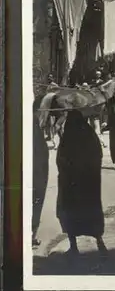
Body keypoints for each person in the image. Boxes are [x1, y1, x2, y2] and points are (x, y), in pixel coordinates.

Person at [56, 110, 106, 255]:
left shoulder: (68, 137)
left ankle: (74, 246)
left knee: (70, 213)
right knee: (91, 211)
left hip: (71, 186)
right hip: (89, 185)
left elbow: (61, 160)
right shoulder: (90, 134)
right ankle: (99, 241)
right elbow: (98, 154)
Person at [32, 97, 49, 248]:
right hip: (37, 173)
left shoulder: (34, 124)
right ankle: (32, 234)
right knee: (36, 201)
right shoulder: (34, 126)